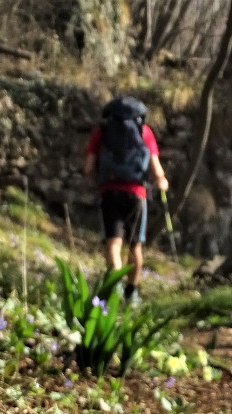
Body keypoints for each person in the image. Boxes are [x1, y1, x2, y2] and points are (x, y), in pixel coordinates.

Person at [84, 96, 168, 302]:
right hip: (136, 195)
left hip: (109, 192)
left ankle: (114, 289)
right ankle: (131, 293)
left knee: (113, 244)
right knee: (135, 247)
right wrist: (162, 182)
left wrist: (98, 182)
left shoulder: (101, 131)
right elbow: (156, 170)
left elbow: (88, 167)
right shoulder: (145, 132)